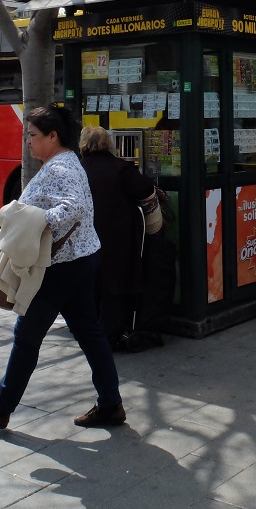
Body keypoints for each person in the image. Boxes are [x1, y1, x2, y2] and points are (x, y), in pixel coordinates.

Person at [0, 105, 126, 429]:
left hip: (62, 267)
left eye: (33, 136)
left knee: (27, 335)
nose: (28, 142)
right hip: (79, 260)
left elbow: (73, 207)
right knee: (89, 333)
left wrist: (33, 223)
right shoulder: (64, 162)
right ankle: (110, 404)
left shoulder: (60, 167)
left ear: (53, 136)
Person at [78, 125, 156, 349]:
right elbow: (144, 188)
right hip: (117, 238)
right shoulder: (119, 168)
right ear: (107, 143)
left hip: (87, 239)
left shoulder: (79, 168)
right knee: (114, 287)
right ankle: (109, 335)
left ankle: (91, 332)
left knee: (93, 287)